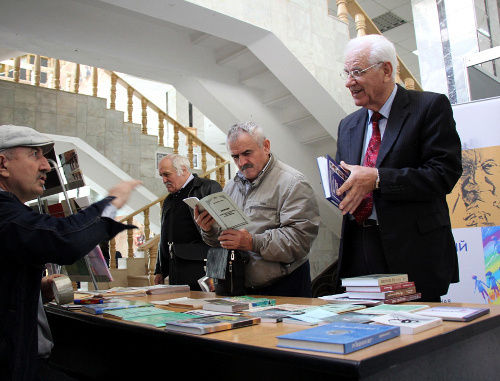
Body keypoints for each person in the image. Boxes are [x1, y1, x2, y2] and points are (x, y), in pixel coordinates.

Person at [0, 124, 142, 380]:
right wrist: (111, 203)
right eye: (35, 155)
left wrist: (34, 286)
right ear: (2, 164)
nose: (47, 166)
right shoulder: (5, 214)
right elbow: (64, 241)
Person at [334, 34, 462, 302]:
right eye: (347, 73)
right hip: (360, 251)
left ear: (386, 70)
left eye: (357, 72)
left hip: (413, 253)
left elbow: (443, 174)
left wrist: (378, 178)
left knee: (418, 340)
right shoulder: (348, 125)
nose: (349, 82)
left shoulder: (429, 107)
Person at [195, 122, 320, 297]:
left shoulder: (293, 183)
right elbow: (225, 240)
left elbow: (300, 241)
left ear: (266, 146)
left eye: (247, 153)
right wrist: (209, 229)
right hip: (240, 287)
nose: (242, 162)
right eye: (235, 156)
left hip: (284, 287)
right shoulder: (231, 187)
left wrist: (252, 242)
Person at [153, 154, 222, 289]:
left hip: (201, 267)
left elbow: (221, 229)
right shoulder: (168, 200)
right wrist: (160, 269)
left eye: (167, 174)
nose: (164, 180)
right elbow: (165, 235)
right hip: (175, 268)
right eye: (161, 175)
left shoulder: (208, 188)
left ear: (183, 170)